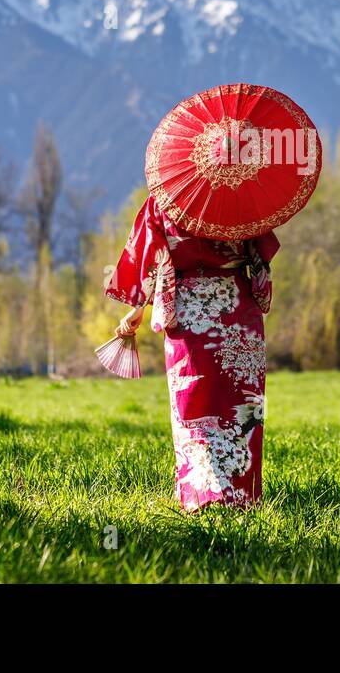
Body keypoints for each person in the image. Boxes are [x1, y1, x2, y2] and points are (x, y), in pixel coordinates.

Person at [105, 193, 279, 511]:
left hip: (190, 315)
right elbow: (262, 258)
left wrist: (137, 309)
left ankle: (200, 494)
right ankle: (241, 496)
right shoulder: (244, 200)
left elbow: (149, 261)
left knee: (193, 404)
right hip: (237, 313)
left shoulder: (164, 199)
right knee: (241, 407)